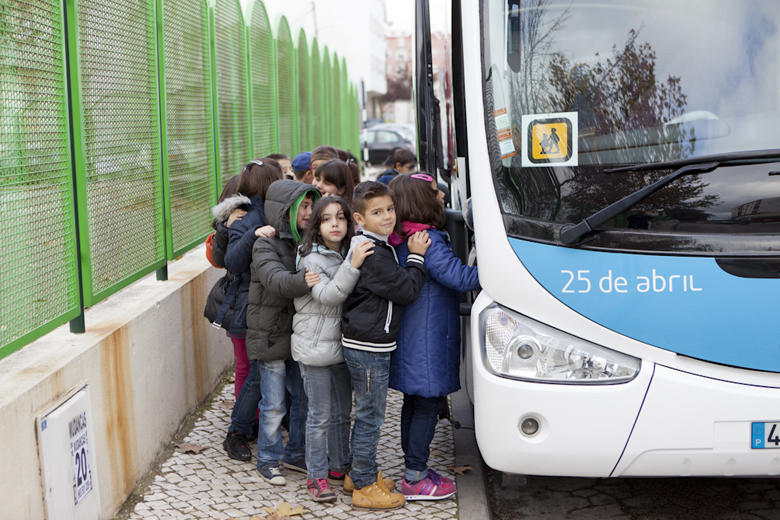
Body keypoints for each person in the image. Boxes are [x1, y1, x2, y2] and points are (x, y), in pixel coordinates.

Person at [388, 172, 480, 500]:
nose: (442, 196)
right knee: (426, 404)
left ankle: (413, 467)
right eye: (434, 192)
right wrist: (500, 266)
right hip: (428, 341)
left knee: (414, 403)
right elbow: (459, 278)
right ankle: (415, 477)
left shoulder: (402, 237)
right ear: (420, 201)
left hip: (413, 339)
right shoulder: (428, 240)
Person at [340, 181, 431, 510]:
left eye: (390, 209)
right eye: (377, 212)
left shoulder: (376, 245)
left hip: (370, 342)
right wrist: (417, 257)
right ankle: (364, 485)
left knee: (369, 413)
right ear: (359, 219)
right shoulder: (372, 253)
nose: (388, 217)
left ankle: (357, 473)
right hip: (368, 346)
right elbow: (406, 291)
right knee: (370, 416)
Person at [292, 196, 375, 502]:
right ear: (317, 226)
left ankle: (339, 466)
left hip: (340, 345)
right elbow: (328, 296)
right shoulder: (310, 259)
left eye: (340, 217)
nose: (335, 224)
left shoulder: (347, 251)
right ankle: (316, 476)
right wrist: (352, 265)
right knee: (319, 415)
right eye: (327, 219)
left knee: (342, 412)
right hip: (314, 347)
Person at [248, 179, 321, 485]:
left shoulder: (308, 242)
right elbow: (275, 280)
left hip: (298, 335)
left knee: (303, 398)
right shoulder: (264, 244)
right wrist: (306, 280)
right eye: (302, 206)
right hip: (270, 334)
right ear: (284, 210)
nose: (309, 212)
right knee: (274, 403)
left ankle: (296, 454)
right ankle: (267, 459)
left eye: (312, 205)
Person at [218, 160, 282, 461]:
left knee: (257, 369)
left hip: (263, 305)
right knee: (253, 369)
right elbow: (231, 261)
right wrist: (252, 233)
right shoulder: (245, 218)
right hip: (247, 307)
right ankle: (240, 429)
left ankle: (254, 423)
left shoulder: (269, 213)